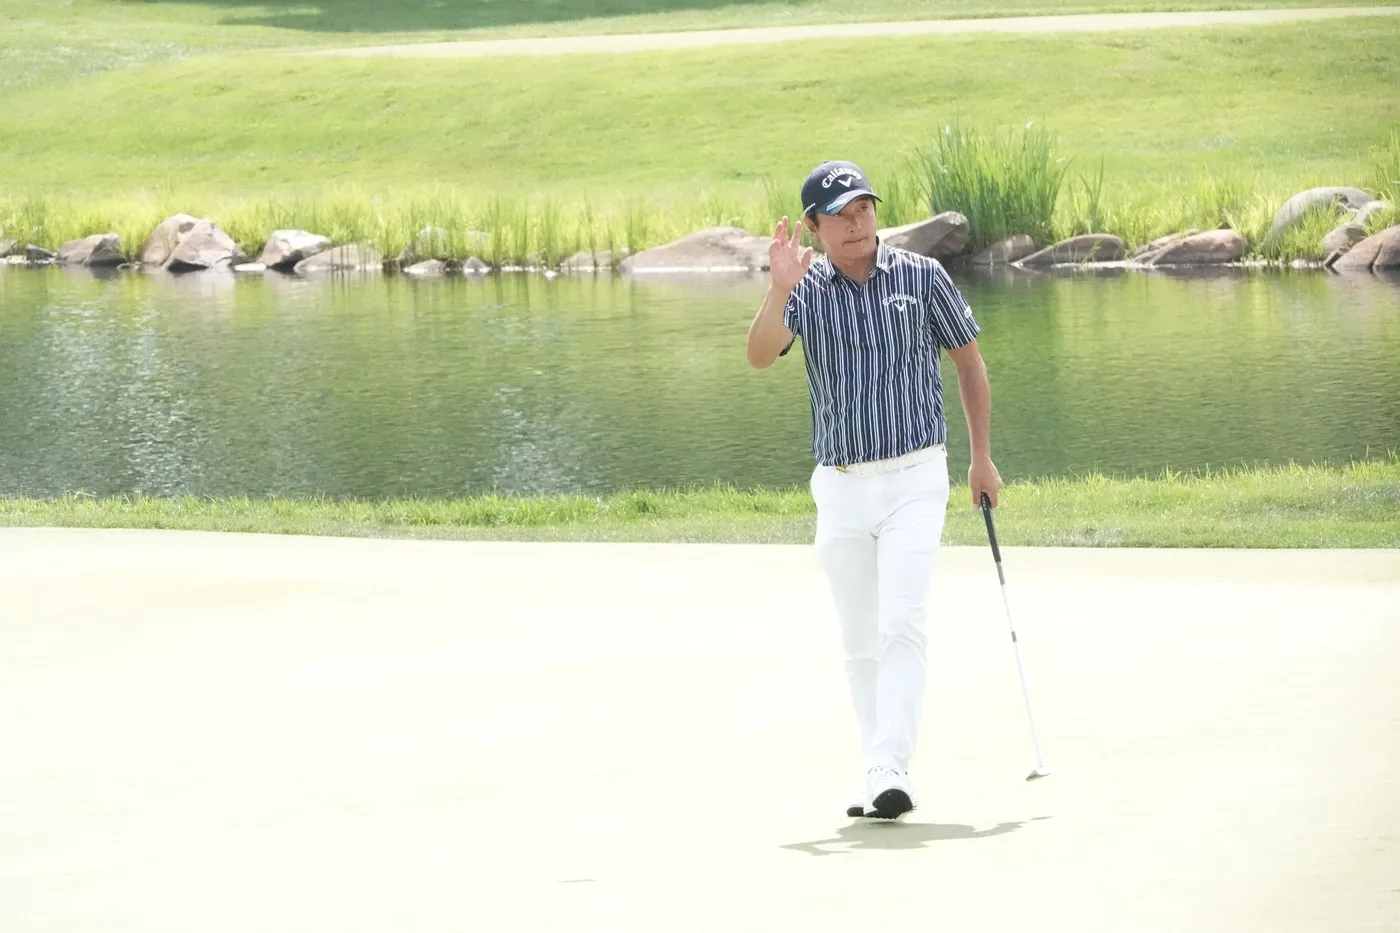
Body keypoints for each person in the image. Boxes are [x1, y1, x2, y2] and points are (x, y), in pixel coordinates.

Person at [745, 159, 1002, 821]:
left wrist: (981, 459)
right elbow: (759, 354)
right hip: (840, 487)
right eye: (840, 215)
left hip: (916, 475)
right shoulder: (804, 288)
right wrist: (777, 290)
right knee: (860, 640)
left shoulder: (922, 277)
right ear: (814, 227)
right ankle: (877, 769)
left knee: (901, 623)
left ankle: (891, 766)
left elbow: (970, 365)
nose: (856, 224)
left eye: (864, 209)